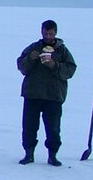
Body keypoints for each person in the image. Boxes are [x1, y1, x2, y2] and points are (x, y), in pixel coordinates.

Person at [16, 19, 77, 166]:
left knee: (53, 129)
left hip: (54, 96)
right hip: (32, 94)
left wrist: (53, 65)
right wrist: (31, 59)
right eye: (46, 33)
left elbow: (70, 70)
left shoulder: (62, 51)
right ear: (41, 32)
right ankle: (28, 154)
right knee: (29, 127)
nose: (48, 36)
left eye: (51, 33)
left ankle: (53, 155)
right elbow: (21, 67)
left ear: (55, 33)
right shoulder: (33, 48)